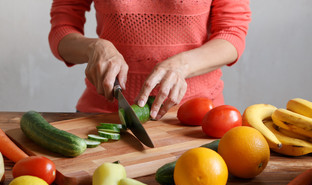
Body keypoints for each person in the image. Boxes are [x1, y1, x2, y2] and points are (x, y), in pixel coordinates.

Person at [49, 0, 251, 120]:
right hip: (104, 114)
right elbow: (61, 31)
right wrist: (94, 47)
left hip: (196, 118)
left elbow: (232, 33)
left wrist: (183, 65)